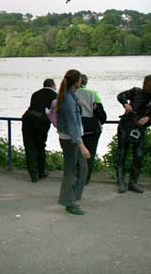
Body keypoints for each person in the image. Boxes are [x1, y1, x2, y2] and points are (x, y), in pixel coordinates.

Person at [116, 75, 151, 194]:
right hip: (126, 125)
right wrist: (125, 104)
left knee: (138, 155)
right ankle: (121, 182)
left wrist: (149, 118)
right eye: (143, 84)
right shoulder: (135, 91)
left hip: (140, 129)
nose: (144, 87)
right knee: (122, 153)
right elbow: (120, 95)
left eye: (147, 86)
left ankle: (133, 182)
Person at [56, 69, 89, 215]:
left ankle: (72, 198)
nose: (82, 81)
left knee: (82, 168)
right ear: (76, 82)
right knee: (71, 171)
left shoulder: (71, 96)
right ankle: (69, 202)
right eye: (80, 79)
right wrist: (81, 145)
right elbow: (72, 124)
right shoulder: (68, 100)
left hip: (73, 139)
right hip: (71, 140)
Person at [22, 79, 58, 182]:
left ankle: (33, 174)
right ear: (53, 85)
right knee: (40, 146)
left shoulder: (35, 94)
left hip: (28, 119)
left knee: (29, 146)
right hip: (41, 122)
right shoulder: (55, 95)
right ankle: (41, 171)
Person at [75, 74, 106, 185]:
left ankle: (76, 175)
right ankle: (85, 179)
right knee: (90, 154)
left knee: (77, 152)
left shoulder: (70, 93)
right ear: (86, 82)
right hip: (92, 128)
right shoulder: (93, 93)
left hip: (77, 127)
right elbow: (101, 113)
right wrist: (100, 121)